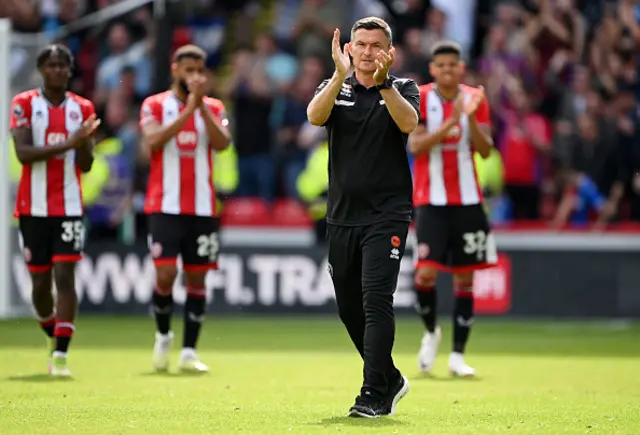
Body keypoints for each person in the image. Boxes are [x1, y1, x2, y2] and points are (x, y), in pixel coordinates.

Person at [307, 17, 419, 418]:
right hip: (340, 216)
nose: (368, 51)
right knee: (348, 308)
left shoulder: (403, 88)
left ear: (389, 52)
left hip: (386, 215)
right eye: (361, 44)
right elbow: (315, 117)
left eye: (376, 45)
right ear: (349, 48)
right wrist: (338, 75)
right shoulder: (334, 87)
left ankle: (373, 393)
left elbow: (409, 124)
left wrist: (386, 83)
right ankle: (389, 376)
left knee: (376, 300)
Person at [10, 44, 101, 377]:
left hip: (69, 206)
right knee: (39, 284)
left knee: (65, 276)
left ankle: (61, 352)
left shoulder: (83, 108)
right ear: (41, 69)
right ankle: (51, 332)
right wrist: (70, 142)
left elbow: (87, 165)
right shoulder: (23, 104)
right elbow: (23, 153)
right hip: (32, 207)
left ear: (71, 70)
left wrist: (87, 144)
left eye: (63, 65)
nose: (58, 70)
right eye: (51, 65)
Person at [139, 45, 231, 373]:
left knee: (198, 279)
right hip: (164, 205)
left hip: (203, 208)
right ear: (174, 69)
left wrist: (200, 108)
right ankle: (163, 334)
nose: (194, 75)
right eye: (188, 69)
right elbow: (153, 141)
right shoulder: (154, 104)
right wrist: (188, 109)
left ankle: (189, 351)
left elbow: (222, 143)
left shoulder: (214, 106)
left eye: (199, 69)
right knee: (165, 275)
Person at [408, 40, 496, 377]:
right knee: (425, 273)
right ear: (433, 69)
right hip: (431, 201)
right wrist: (450, 123)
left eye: (452, 65)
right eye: (440, 65)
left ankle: (458, 356)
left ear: (461, 68)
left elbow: (485, 150)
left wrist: (470, 119)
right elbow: (415, 145)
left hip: (469, 201)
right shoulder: (420, 96)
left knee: (465, 278)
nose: (447, 70)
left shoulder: (476, 97)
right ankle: (431, 332)